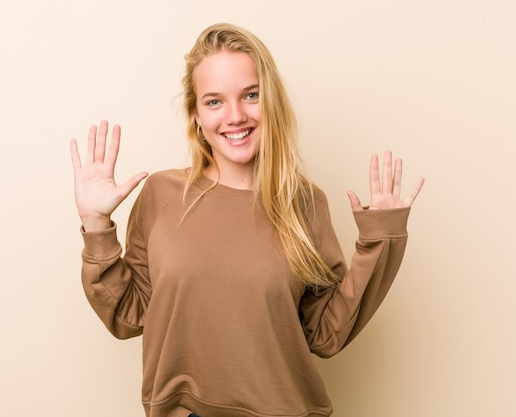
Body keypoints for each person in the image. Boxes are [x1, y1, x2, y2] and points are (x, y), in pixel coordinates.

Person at [70, 23, 424, 417]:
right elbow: (128, 315)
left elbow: (324, 334)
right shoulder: (161, 195)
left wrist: (381, 241)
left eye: (251, 95)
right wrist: (96, 225)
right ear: (196, 116)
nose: (235, 116)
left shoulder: (304, 204)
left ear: (271, 101)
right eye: (214, 102)